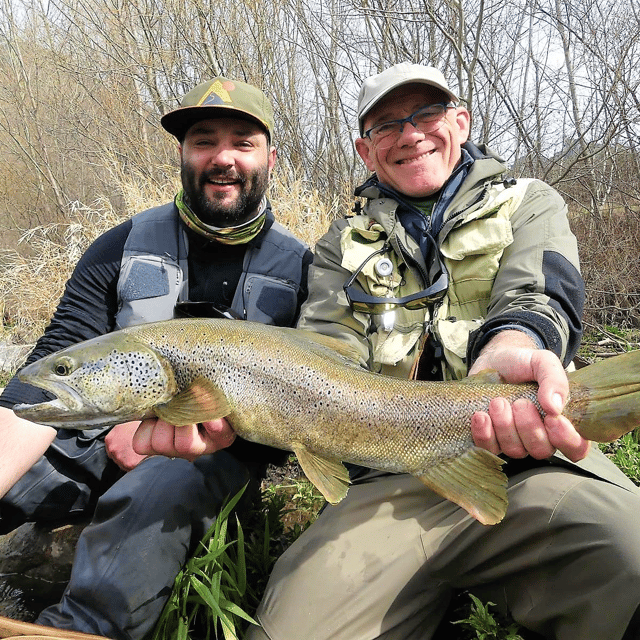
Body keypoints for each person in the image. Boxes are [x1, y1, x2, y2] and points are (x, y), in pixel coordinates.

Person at [139, 63, 640, 639]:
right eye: (386, 126)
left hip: (532, 457)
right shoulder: (337, 246)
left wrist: (515, 345)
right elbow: (327, 351)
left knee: (632, 557)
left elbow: (542, 294)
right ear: (365, 150)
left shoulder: (530, 202)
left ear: (460, 121)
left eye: (425, 114)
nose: (409, 134)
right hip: (384, 483)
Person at [0, 76, 312, 639]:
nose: (223, 158)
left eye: (243, 142)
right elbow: (53, 362)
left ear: (270, 156)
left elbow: (306, 408)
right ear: (182, 153)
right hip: (91, 435)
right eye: (203, 140)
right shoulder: (121, 243)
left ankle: (76, 631)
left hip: (210, 455)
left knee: (161, 485)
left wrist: (174, 431)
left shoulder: (305, 268)